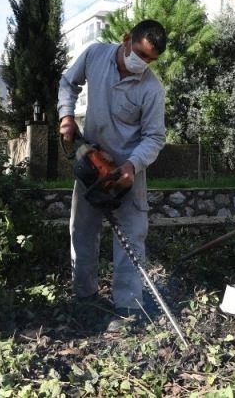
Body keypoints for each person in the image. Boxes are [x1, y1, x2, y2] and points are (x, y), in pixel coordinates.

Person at [57, 19, 167, 330]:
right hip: (91, 163)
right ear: (126, 39)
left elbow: (155, 137)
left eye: (150, 60)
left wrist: (131, 166)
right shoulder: (95, 55)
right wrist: (66, 115)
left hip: (129, 170)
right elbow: (68, 82)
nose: (143, 63)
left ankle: (128, 308)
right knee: (82, 231)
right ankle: (85, 297)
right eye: (140, 54)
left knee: (131, 237)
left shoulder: (152, 89)